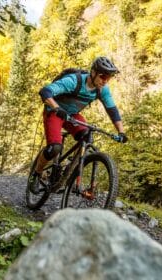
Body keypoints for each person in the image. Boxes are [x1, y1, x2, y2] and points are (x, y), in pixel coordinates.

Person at [28, 56, 128, 193]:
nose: (105, 81)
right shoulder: (74, 81)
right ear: (93, 72)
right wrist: (57, 108)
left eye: (108, 78)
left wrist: (121, 132)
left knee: (87, 136)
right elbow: (45, 92)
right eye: (103, 76)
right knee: (55, 147)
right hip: (54, 112)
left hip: (73, 115)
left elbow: (112, 111)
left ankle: (70, 171)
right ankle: (36, 175)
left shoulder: (102, 89)